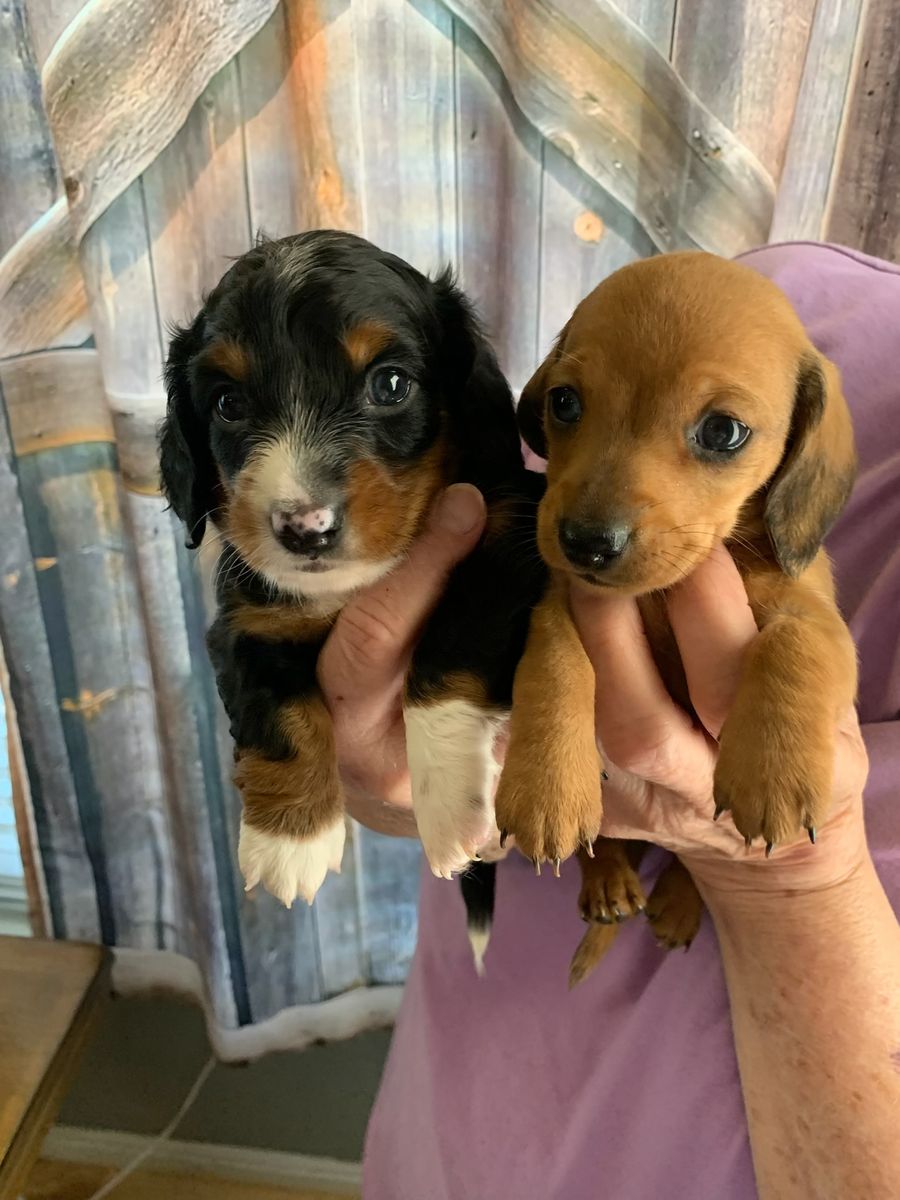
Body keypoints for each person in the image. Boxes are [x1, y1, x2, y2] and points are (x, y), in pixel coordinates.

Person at [317, 242, 900, 1200]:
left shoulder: (785, 476)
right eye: (571, 410)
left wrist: (785, 872)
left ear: (799, 454)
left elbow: (808, 633)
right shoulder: (777, 294)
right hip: (474, 1097)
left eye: (717, 435)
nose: (595, 503)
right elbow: (554, 631)